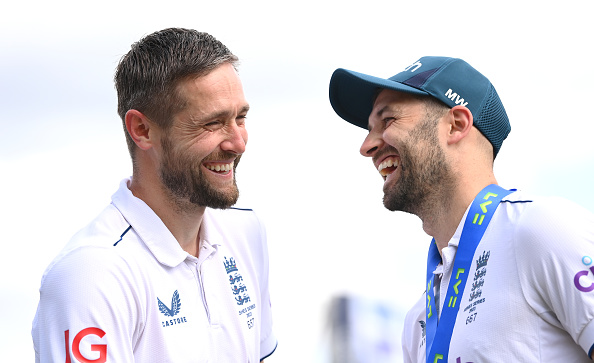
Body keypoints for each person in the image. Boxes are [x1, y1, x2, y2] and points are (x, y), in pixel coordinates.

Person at [32, 28, 277, 362]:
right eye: (212, 123)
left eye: (240, 117)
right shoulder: (90, 274)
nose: (237, 142)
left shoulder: (247, 232)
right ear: (142, 130)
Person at [328, 56, 594, 362]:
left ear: (456, 125)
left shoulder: (543, 230)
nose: (366, 146)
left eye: (388, 120)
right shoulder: (418, 321)